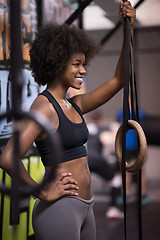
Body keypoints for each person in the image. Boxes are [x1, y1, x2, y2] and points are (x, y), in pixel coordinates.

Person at [0, 2, 136, 240]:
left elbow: (119, 80)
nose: (83, 70)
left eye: (83, 64)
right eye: (76, 64)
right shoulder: (44, 108)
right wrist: (40, 190)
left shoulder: (74, 104)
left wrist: (129, 30)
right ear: (56, 62)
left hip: (87, 206)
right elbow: (8, 158)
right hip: (60, 209)